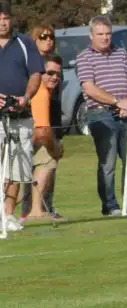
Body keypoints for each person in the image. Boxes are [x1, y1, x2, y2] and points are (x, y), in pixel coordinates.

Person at [76, 15, 127, 217]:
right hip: (100, 114)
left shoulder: (121, 53)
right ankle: (110, 205)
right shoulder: (84, 57)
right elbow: (90, 88)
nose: (105, 38)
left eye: (108, 34)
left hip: (125, 112)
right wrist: (117, 101)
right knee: (108, 163)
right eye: (100, 34)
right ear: (91, 36)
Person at [0, 1, 43, 233]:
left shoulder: (25, 43)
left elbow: (35, 73)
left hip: (21, 115)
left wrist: (25, 97)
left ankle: (8, 215)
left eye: (6, 18)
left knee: (16, 168)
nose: (3, 22)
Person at [21, 25, 63, 220]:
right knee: (46, 158)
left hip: (41, 130)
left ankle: (42, 208)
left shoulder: (51, 75)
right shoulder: (33, 76)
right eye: (43, 37)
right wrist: (54, 146)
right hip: (28, 132)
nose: (49, 40)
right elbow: (41, 129)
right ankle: (32, 211)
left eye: (51, 37)